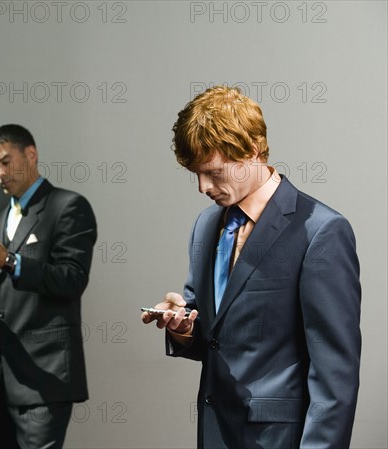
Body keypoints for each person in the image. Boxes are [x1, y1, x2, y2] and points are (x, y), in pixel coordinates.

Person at [141, 86, 361, 448]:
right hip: (214, 434)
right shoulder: (205, 225)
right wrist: (182, 326)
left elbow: (335, 375)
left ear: (252, 150)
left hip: (278, 439)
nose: (202, 187)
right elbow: (212, 337)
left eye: (213, 172)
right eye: (195, 173)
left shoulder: (320, 231)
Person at [0, 124, 97, 449]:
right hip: (1, 379)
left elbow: (72, 280)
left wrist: (10, 261)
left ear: (31, 154)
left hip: (45, 377)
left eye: (4, 161)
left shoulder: (68, 207)